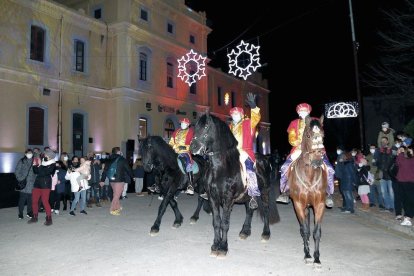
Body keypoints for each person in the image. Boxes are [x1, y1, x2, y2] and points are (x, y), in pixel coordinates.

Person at [276, 103, 335, 208]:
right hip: (299, 149)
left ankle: (329, 193)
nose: (303, 112)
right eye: (301, 110)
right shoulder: (294, 123)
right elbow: (291, 139)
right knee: (285, 167)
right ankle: (285, 191)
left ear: (309, 111)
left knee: (329, 168)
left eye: (305, 110)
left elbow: (319, 134)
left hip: (316, 148)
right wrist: (302, 143)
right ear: (298, 112)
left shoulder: (315, 121)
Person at [228, 92, 261, 209]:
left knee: (249, 170)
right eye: (233, 114)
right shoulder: (230, 127)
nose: (235, 116)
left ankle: (253, 195)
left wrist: (254, 107)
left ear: (241, 115)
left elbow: (256, 119)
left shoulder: (247, 123)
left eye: (237, 114)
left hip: (244, 152)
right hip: (231, 153)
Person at [99, 147, 134, 215]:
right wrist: (133, 176)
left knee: (115, 194)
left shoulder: (109, 159)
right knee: (117, 195)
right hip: (120, 180)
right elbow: (128, 169)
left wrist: (102, 180)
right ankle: (113, 209)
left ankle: (117, 206)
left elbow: (105, 171)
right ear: (118, 152)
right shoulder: (122, 159)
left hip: (111, 179)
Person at [28, 149, 56, 226]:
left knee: (45, 201)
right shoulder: (42, 162)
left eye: (46, 155)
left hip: (45, 185)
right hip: (37, 184)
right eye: (44, 155)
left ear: (50, 156)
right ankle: (35, 216)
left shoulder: (52, 165)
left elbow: (44, 173)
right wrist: (34, 165)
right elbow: (36, 172)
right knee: (34, 201)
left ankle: (49, 218)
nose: (44, 156)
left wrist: (39, 165)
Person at [15, 149, 36, 219]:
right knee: (22, 199)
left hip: (32, 183)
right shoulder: (22, 161)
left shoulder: (34, 161)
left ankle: (29, 212)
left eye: (31, 153)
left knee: (30, 199)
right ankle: (20, 213)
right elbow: (17, 171)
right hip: (24, 183)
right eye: (28, 153)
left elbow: (36, 171)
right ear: (25, 154)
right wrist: (21, 178)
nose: (30, 154)